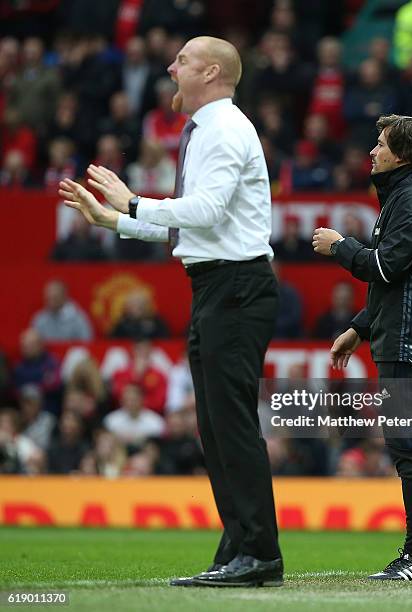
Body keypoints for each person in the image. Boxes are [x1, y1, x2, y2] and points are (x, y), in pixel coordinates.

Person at [58, 35, 283, 588]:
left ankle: (259, 554)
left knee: (229, 425)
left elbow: (206, 210)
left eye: (180, 60)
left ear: (209, 72)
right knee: (216, 426)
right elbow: (191, 225)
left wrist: (133, 200)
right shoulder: (209, 129)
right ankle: (239, 547)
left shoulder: (225, 128)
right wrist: (115, 222)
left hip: (234, 286)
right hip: (217, 286)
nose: (170, 67)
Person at [313, 114, 412, 581]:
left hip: (411, 340)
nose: (371, 152)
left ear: (405, 155)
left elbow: (387, 267)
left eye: (380, 144)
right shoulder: (410, 196)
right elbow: (403, 280)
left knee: (407, 444)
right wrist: (359, 327)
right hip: (407, 335)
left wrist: (340, 247)